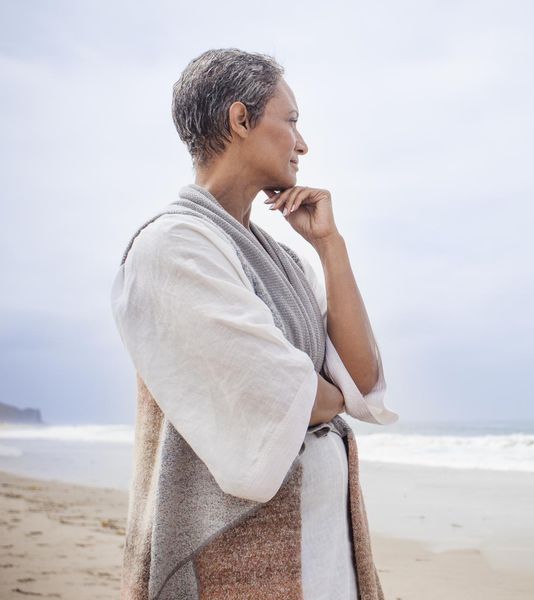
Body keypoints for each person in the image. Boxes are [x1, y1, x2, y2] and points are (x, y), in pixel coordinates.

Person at [111, 47, 398, 600]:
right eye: (290, 121)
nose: (303, 142)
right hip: (233, 557)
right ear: (240, 120)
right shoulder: (172, 246)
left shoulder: (283, 259)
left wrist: (328, 246)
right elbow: (283, 394)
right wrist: (327, 392)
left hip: (326, 550)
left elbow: (359, 380)